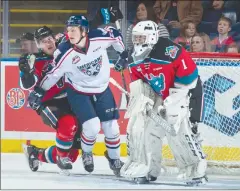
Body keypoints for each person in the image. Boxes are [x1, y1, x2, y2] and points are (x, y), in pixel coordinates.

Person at [30, 15, 126, 176]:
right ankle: (87, 153)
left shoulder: (98, 38)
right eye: (68, 30)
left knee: (112, 127)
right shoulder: (64, 51)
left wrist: (123, 54)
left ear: (84, 31)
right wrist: (39, 90)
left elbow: (115, 35)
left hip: (102, 89)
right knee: (92, 126)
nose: (69, 33)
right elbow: (52, 75)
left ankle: (114, 158)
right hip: (79, 92)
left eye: (73, 30)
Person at [118, 20, 207, 185]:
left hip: (182, 90)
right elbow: (141, 86)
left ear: (151, 37)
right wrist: (144, 101)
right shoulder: (133, 57)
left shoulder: (171, 51)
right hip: (159, 94)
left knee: (176, 121)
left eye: (141, 38)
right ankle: (147, 167)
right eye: (135, 38)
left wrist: (171, 102)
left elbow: (190, 80)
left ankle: (195, 167)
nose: (137, 42)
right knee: (141, 125)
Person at [19, 26, 80, 172]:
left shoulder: (64, 49)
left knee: (72, 154)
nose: (48, 43)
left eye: (49, 39)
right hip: (46, 101)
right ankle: (59, 155)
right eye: (43, 41)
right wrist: (26, 71)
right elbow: (27, 85)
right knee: (68, 123)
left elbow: (78, 31)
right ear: (38, 45)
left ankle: (35, 153)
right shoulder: (36, 60)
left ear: (54, 38)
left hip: (69, 98)